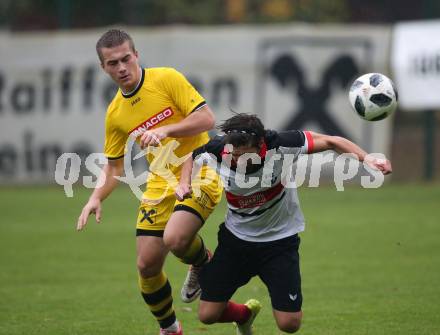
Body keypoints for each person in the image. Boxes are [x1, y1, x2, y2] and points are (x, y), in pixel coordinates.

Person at [175, 113, 392, 334]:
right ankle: (243, 315)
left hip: (279, 244)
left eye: (244, 156)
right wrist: (184, 184)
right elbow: (191, 157)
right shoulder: (218, 149)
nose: (237, 160)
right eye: (233, 154)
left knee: (290, 324)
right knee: (207, 315)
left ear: (260, 144)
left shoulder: (281, 145)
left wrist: (368, 159)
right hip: (236, 242)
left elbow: (332, 141)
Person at [76, 29, 222, 335]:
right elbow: (114, 167)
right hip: (160, 183)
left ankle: (202, 260)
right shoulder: (116, 113)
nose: (121, 68)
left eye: (126, 58)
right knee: (146, 266)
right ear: (104, 68)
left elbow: (208, 119)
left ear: (136, 55)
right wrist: (95, 197)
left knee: (175, 239)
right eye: (112, 63)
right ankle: (170, 328)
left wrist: (168, 130)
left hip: (201, 169)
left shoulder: (166, 79)